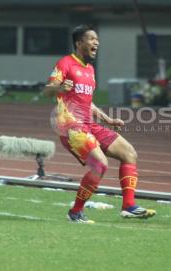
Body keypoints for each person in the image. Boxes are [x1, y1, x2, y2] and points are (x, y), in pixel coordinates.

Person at [43, 25, 156, 223]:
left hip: (89, 124)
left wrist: (107, 119)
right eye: (92, 39)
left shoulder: (90, 69)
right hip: (71, 127)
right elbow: (47, 90)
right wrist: (59, 86)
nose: (97, 43)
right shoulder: (65, 63)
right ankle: (75, 212)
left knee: (129, 153)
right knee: (100, 165)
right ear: (79, 43)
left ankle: (129, 206)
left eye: (97, 40)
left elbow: (87, 101)